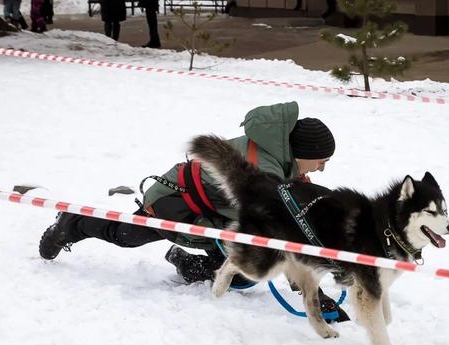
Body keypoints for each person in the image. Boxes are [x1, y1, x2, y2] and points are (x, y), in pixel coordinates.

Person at [38, 101, 349, 321]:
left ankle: (183, 260)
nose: (321, 168)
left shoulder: (276, 152)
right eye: (321, 161)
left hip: (214, 211)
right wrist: (313, 295)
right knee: (127, 235)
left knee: (240, 279)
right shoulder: (264, 172)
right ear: (302, 153)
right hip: (176, 202)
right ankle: (74, 224)